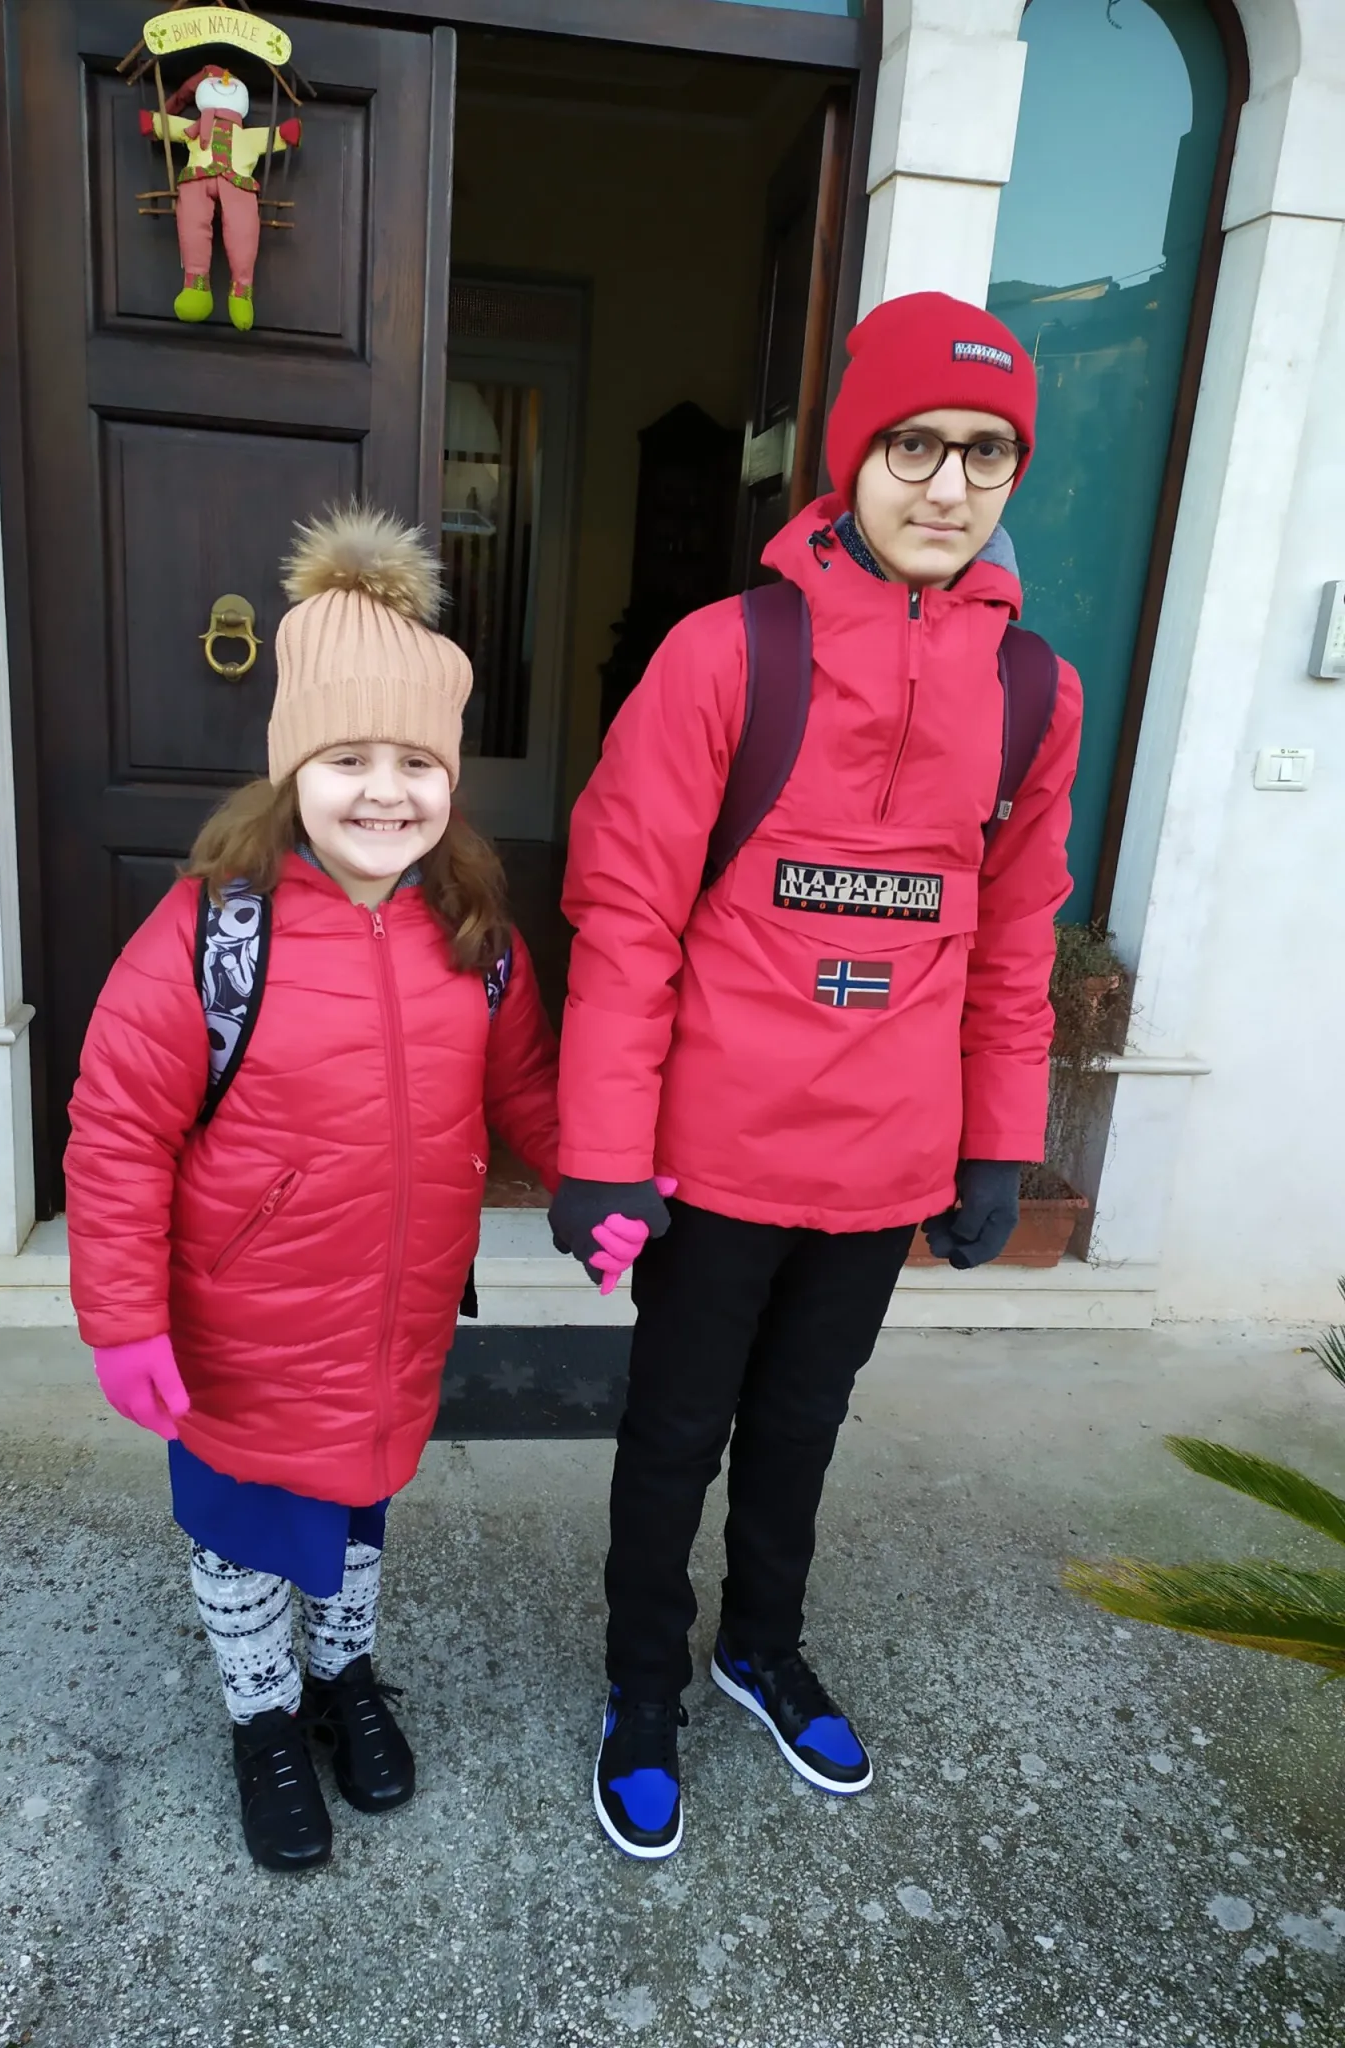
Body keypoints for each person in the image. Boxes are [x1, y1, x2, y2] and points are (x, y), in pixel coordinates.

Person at [549, 292, 1083, 1859]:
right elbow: (627, 915)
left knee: (802, 1428)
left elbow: (1017, 935)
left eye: (985, 452)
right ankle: (644, 1683)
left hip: (883, 1163)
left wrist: (999, 1142)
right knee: (674, 1436)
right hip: (716, 1159)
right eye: (913, 444)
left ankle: (761, 1648)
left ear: (1012, 474)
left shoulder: (1033, 693)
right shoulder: (732, 655)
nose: (947, 484)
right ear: (854, 456)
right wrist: (600, 1153)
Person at [65, 506, 563, 1872]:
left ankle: (342, 1679)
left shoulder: (476, 936)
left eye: (417, 762)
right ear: (294, 770)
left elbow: (528, 1091)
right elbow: (117, 1131)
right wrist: (124, 1318)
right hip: (243, 1322)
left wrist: (608, 1179)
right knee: (242, 1527)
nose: (384, 792)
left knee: (356, 1506)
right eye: (349, 759)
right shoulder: (212, 930)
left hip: (394, 1315)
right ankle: (264, 1720)